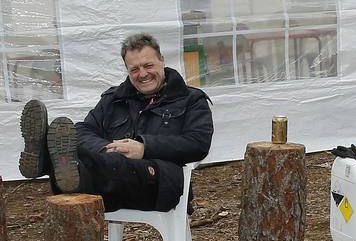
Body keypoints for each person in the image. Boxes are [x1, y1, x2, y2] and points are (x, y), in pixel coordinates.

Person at [19, 32, 212, 212]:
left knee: (105, 163)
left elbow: (198, 143)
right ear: (127, 69)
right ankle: (56, 164)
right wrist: (105, 147)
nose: (142, 74)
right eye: (134, 69)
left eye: (148, 65)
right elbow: (83, 130)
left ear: (162, 61)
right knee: (82, 156)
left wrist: (144, 148)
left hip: (160, 184)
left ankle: (45, 161)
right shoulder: (114, 98)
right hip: (108, 188)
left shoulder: (191, 99)